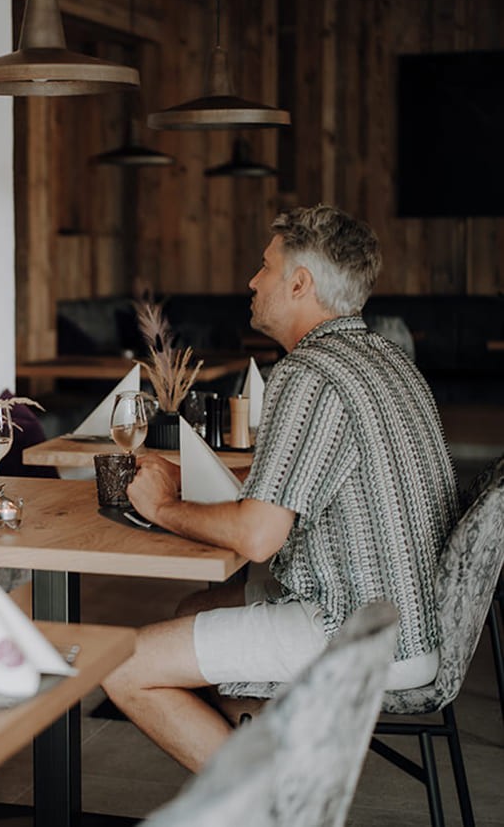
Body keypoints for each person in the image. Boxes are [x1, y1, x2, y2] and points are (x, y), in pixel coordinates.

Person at [102, 203, 458, 771]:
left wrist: (164, 505)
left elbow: (259, 537)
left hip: (355, 630)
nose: (252, 280)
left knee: (119, 666)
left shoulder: (308, 371)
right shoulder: (385, 356)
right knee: (199, 604)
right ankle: (270, 755)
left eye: (264, 267)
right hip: (412, 619)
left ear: (299, 283)